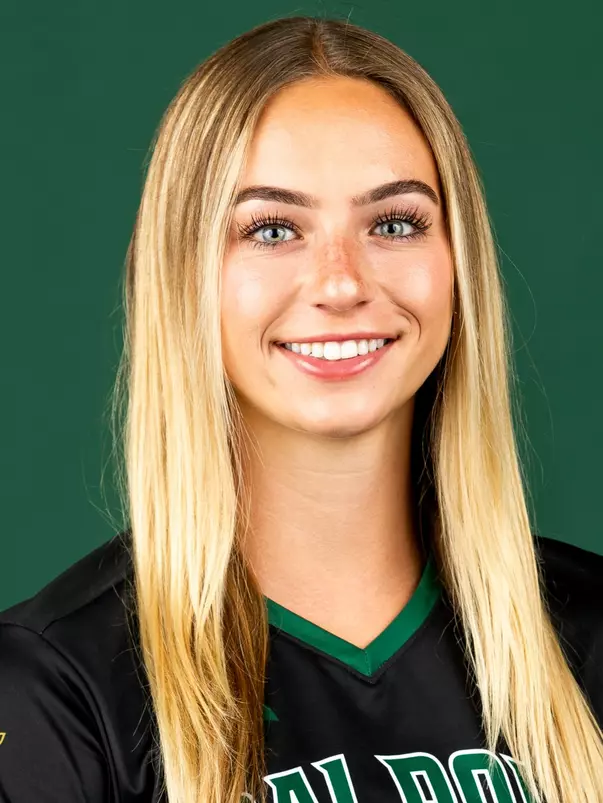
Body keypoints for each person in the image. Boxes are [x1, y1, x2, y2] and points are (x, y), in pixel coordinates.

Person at [0, 14, 602, 803]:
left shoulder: (585, 637)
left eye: (393, 223)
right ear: (184, 275)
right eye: (272, 229)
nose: (341, 281)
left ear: (458, 265)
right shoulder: (56, 686)